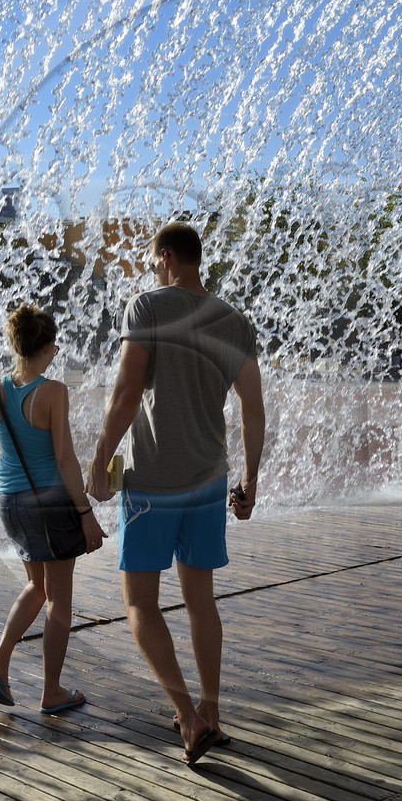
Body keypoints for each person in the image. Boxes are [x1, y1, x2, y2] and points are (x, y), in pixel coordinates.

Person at [86, 222, 265, 766]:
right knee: (200, 600)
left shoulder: (147, 307)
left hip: (153, 482)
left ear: (165, 258)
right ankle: (211, 711)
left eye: (152, 260)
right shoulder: (234, 320)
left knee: (139, 602)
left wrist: (98, 461)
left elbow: (124, 393)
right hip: (210, 478)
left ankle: (188, 718)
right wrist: (250, 480)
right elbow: (253, 407)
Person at [0, 304, 105, 714]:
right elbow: (65, 460)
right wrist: (86, 514)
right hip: (48, 502)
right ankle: (51, 691)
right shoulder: (52, 391)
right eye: (54, 345)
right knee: (59, 599)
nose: (57, 351)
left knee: (37, 585)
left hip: (9, 500)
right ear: (46, 348)